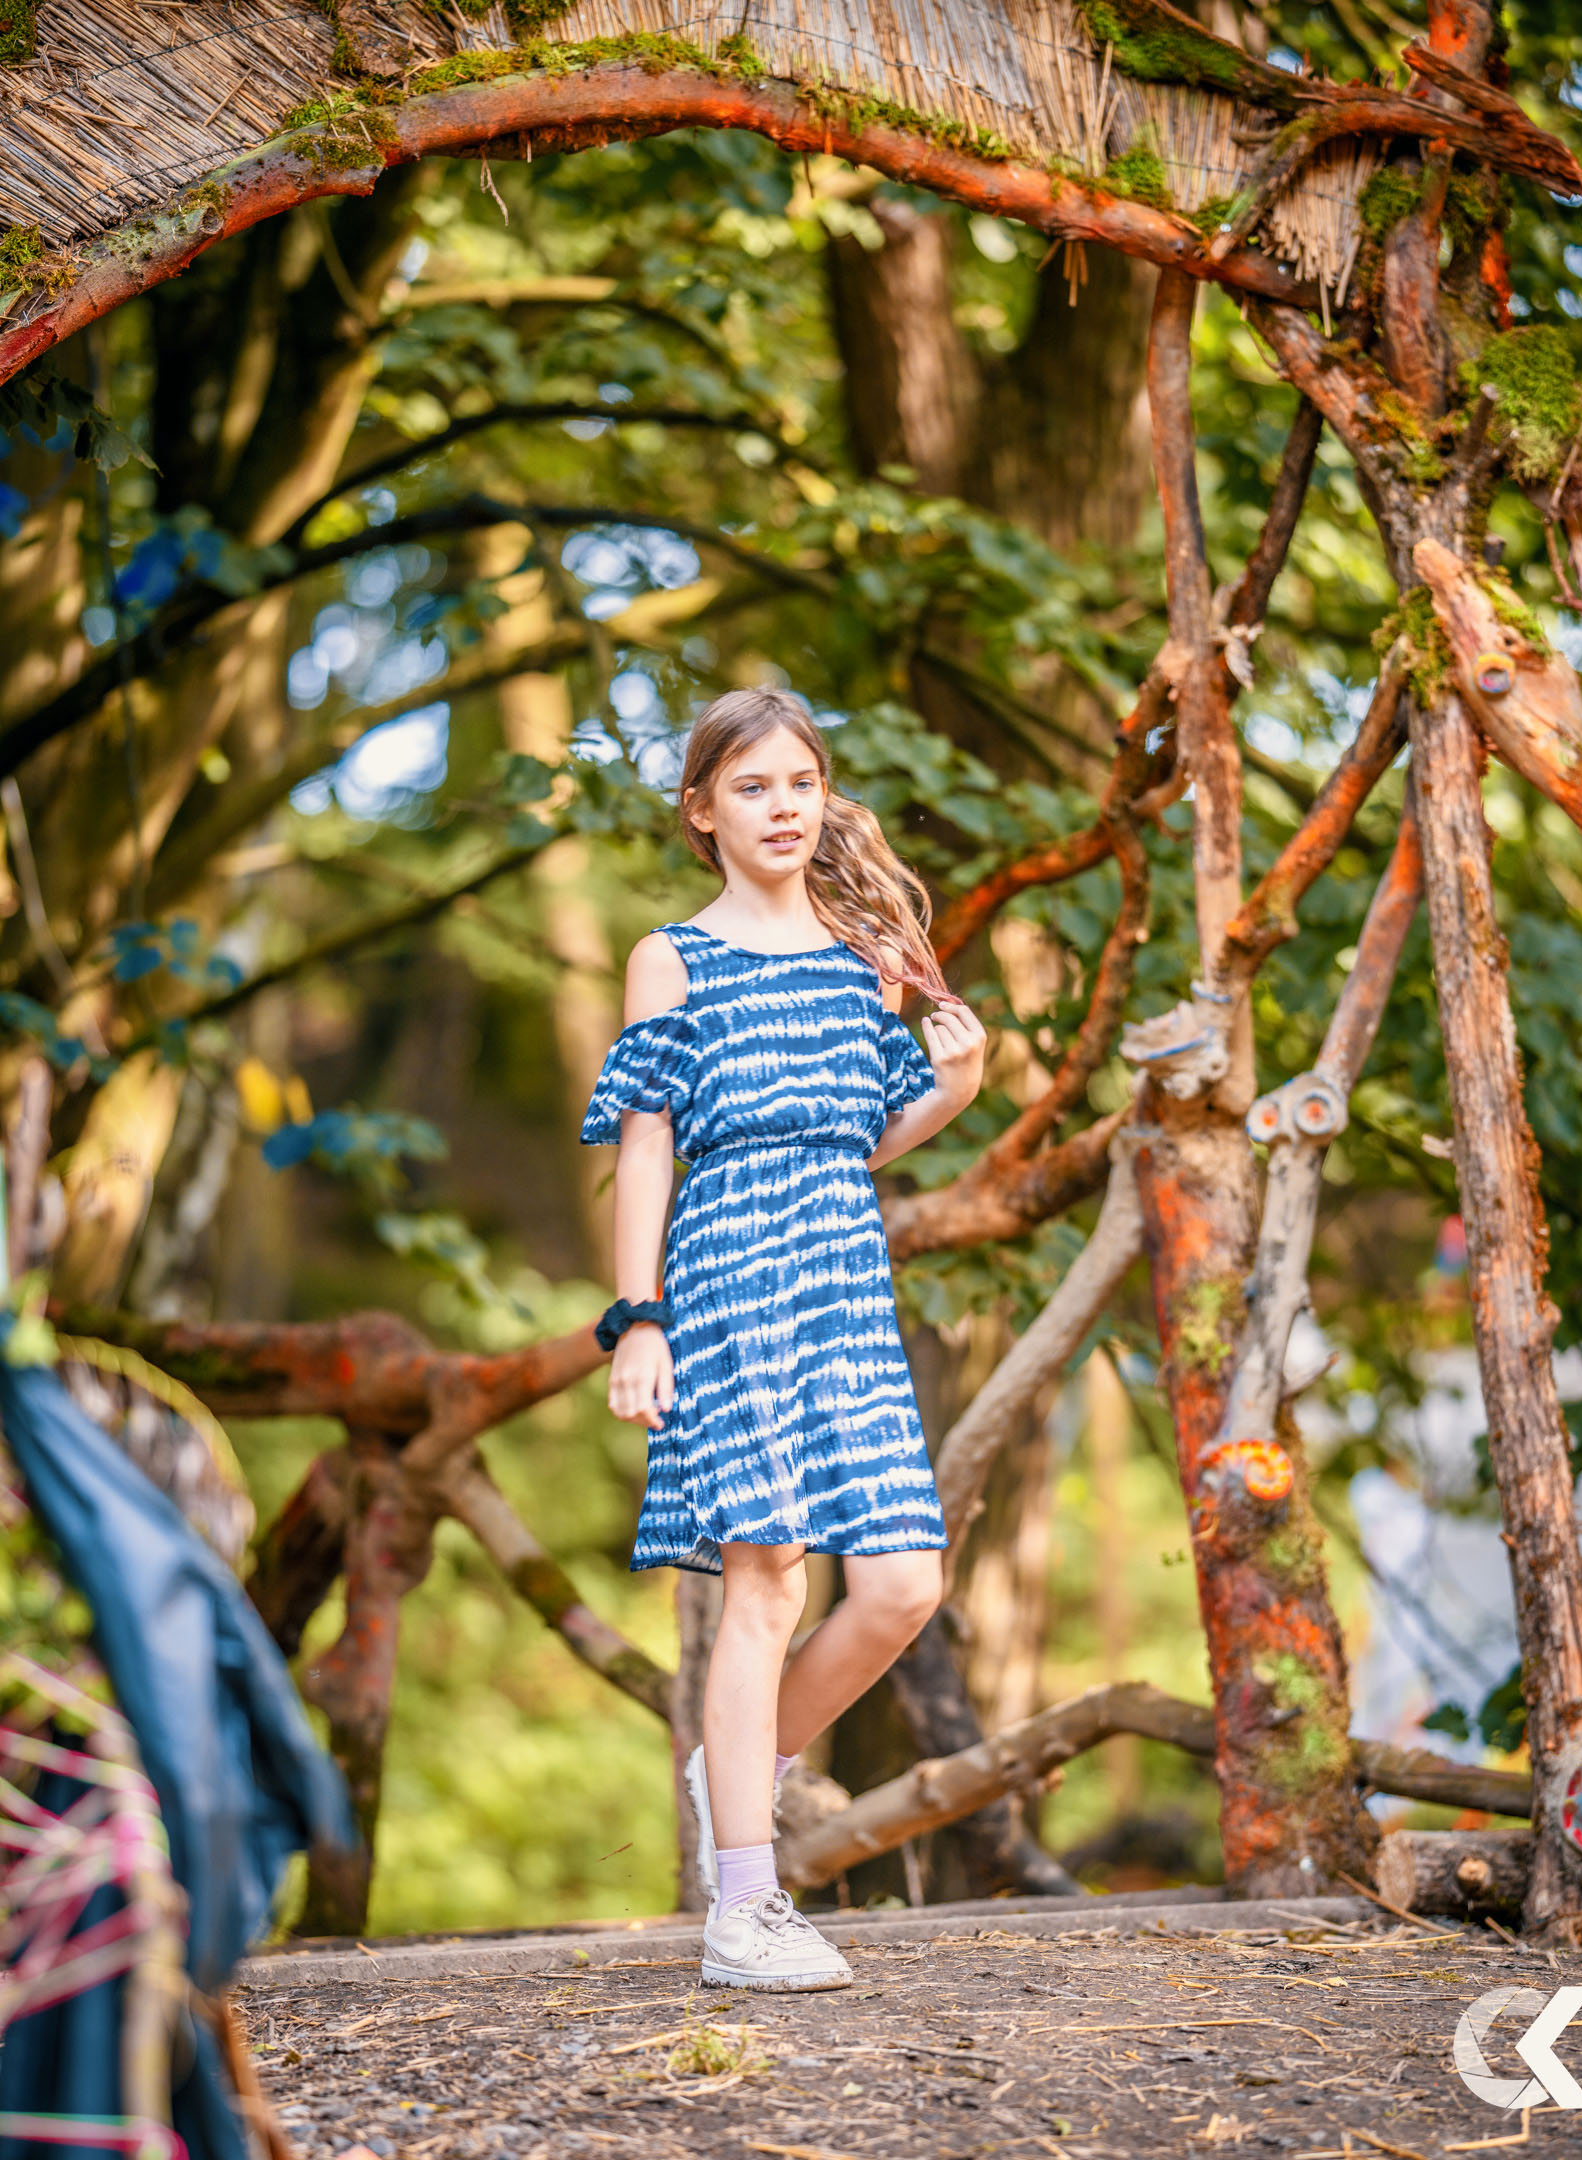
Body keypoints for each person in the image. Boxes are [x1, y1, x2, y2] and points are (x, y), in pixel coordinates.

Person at [579, 685, 986, 1991]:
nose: (783, 809)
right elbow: (648, 1146)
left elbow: (855, 1137)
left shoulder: (862, 958)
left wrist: (953, 1090)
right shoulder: (672, 959)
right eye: (751, 788)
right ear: (702, 811)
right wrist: (637, 1319)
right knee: (767, 1580)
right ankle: (743, 1909)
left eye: (800, 784)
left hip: (844, 1282)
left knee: (902, 1586)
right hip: (727, 1282)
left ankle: (736, 1774)